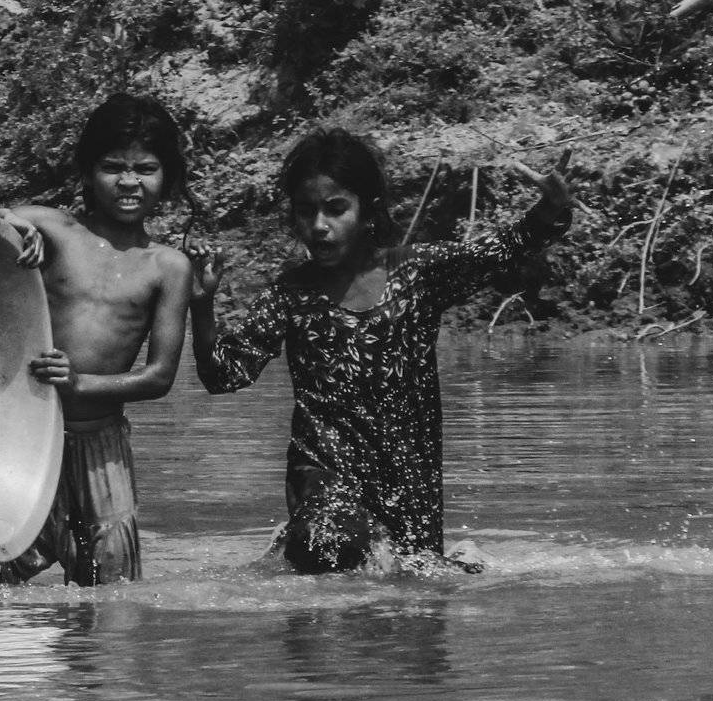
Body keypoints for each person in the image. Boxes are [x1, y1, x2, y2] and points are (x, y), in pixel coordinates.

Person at [188, 128, 572, 573]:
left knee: (409, 592)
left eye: (336, 209)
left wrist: (551, 207)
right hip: (323, 473)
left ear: (367, 210)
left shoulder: (416, 275)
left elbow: (500, 251)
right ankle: (303, 536)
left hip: (407, 477)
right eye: (306, 211)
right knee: (327, 541)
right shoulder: (291, 294)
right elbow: (223, 374)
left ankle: (458, 563)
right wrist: (202, 303)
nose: (319, 226)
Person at [0, 93, 194, 585]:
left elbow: (159, 378)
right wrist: (4, 219)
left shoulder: (167, 267)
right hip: (25, 436)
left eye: (145, 168)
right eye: (113, 167)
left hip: (103, 446)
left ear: (168, 178)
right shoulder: (53, 229)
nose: (129, 181)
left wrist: (80, 383)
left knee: (113, 592)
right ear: (88, 173)